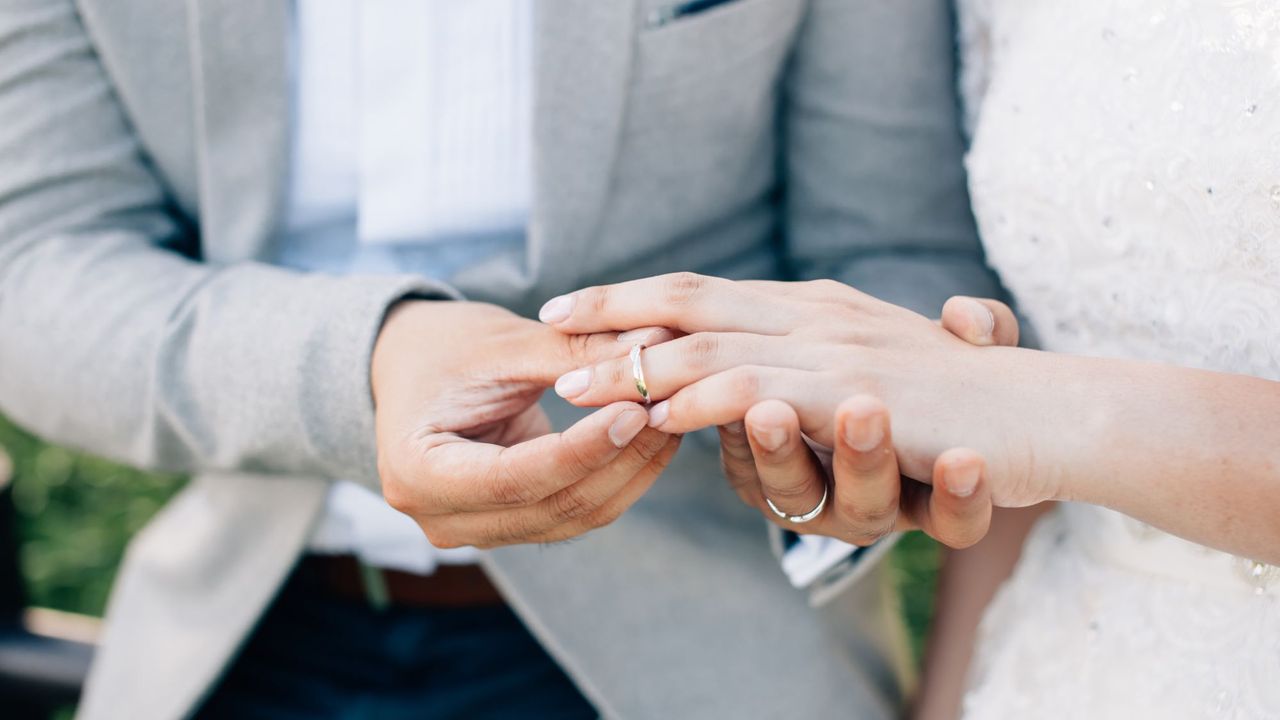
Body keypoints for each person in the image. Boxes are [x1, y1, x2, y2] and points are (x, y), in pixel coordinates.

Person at [0, 1, 1014, 718]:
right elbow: (35, 264)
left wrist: (843, 422)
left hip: (702, 648)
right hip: (239, 633)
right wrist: (363, 365)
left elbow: (889, 241)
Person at [539, 1, 1280, 717]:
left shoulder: (1024, 406)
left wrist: (1027, 405)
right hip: (1059, 659)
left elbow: (1015, 413)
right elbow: (1014, 465)